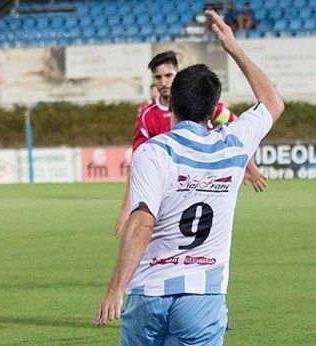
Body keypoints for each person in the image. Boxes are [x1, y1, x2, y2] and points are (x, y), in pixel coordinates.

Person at [62, 10, 284, 346]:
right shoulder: (232, 141)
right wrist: (232, 46)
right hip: (202, 293)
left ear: (172, 105)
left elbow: (141, 221)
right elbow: (273, 102)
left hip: (147, 289)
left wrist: (114, 289)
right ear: (213, 108)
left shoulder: (155, 152)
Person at [114, 48, 267, 237]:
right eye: (158, 77)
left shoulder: (203, 104)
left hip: (201, 184)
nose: (163, 82)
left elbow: (237, 133)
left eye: (168, 75)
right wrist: (125, 209)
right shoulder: (147, 116)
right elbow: (137, 164)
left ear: (177, 73)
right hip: (169, 188)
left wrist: (247, 165)